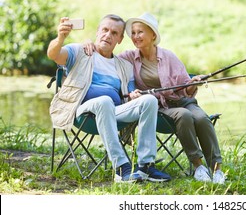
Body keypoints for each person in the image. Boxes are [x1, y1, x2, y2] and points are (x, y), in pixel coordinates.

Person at [47, 14, 171, 183]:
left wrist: (134, 95)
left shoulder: (124, 66)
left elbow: (130, 95)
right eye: (105, 30)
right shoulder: (80, 51)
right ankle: (121, 167)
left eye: (114, 33)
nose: (108, 35)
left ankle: (146, 166)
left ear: (119, 39)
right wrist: (61, 37)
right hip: (81, 112)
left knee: (149, 100)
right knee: (104, 100)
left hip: (114, 112)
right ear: (98, 31)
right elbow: (53, 54)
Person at [119, 12, 226, 184]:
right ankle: (198, 166)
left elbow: (185, 86)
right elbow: (107, 57)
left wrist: (194, 82)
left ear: (153, 35)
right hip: (159, 108)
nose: (135, 36)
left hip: (181, 101)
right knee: (184, 115)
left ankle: (217, 170)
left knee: (201, 118)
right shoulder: (128, 57)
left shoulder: (168, 56)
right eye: (133, 32)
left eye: (140, 32)